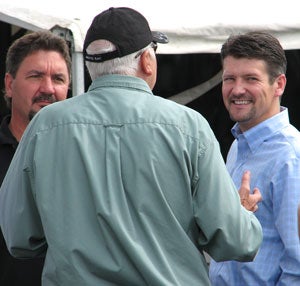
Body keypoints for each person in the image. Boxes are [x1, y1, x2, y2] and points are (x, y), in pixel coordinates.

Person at [0, 7, 262, 285]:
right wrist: (241, 214)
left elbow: (19, 237)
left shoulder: (45, 126)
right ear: (147, 61)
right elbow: (235, 242)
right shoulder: (188, 126)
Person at [209, 31, 300, 285]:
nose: (237, 90)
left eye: (251, 78)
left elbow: (298, 266)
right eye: (230, 79)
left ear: (279, 85)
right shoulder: (239, 146)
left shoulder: (291, 158)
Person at [0, 30, 71, 285]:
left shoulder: (84, 157)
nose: (48, 89)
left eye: (59, 79)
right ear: (9, 85)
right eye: (36, 76)